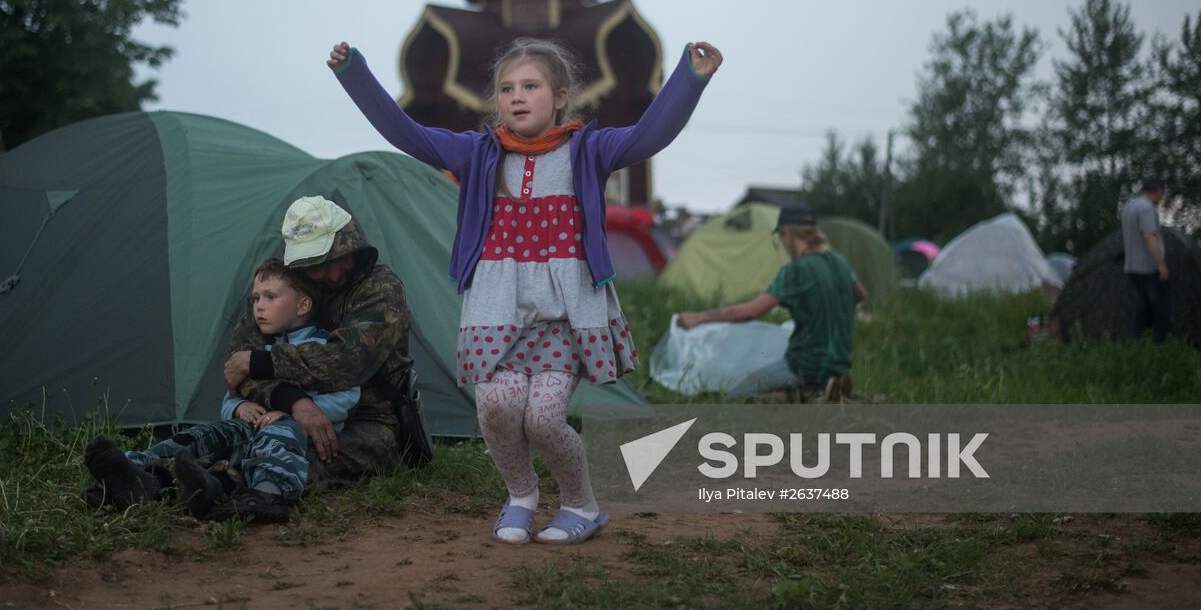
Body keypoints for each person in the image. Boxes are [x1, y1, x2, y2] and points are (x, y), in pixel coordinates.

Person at [326, 35, 721, 544]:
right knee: (496, 406)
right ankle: (521, 496)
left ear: (559, 97)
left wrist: (691, 79)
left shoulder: (588, 150)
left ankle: (582, 504)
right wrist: (354, 73)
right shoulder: (477, 154)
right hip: (496, 309)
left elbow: (649, 136)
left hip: (562, 312)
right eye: (507, 88)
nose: (516, 96)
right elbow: (406, 132)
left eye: (530, 86)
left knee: (541, 417)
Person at [84, 256, 360, 521]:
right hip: (250, 430)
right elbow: (232, 395)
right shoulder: (262, 349)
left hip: (297, 437)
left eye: (270, 297)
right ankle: (135, 470)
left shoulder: (323, 348)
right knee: (207, 433)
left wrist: (296, 413)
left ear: (303, 305)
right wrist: (239, 407)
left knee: (280, 431)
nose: (258, 307)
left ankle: (268, 493)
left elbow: (348, 394)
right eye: (256, 298)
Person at [222, 195, 416, 494]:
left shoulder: (381, 289)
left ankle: (221, 484)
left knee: (301, 458)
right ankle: (158, 476)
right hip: (279, 410)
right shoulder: (292, 283)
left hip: (367, 419)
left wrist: (263, 362)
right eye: (314, 265)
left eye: (333, 260)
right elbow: (238, 359)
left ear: (350, 245)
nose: (326, 273)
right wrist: (291, 400)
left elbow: (346, 361)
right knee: (235, 438)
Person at [678, 205, 866, 400]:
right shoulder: (839, 261)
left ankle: (804, 394)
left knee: (735, 396)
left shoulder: (796, 270)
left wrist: (699, 317)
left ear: (785, 233)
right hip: (840, 366)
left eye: (781, 239)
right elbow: (860, 293)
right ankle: (826, 388)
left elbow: (751, 311)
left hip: (805, 365)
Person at [1121, 175, 1171, 341]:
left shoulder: (1129, 207)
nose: (1162, 198)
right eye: (1162, 194)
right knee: (1158, 307)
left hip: (1131, 267)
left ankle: (1137, 341)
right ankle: (1159, 344)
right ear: (1158, 191)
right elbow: (1149, 236)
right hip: (1147, 268)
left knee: (1143, 307)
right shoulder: (1146, 208)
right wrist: (1161, 264)